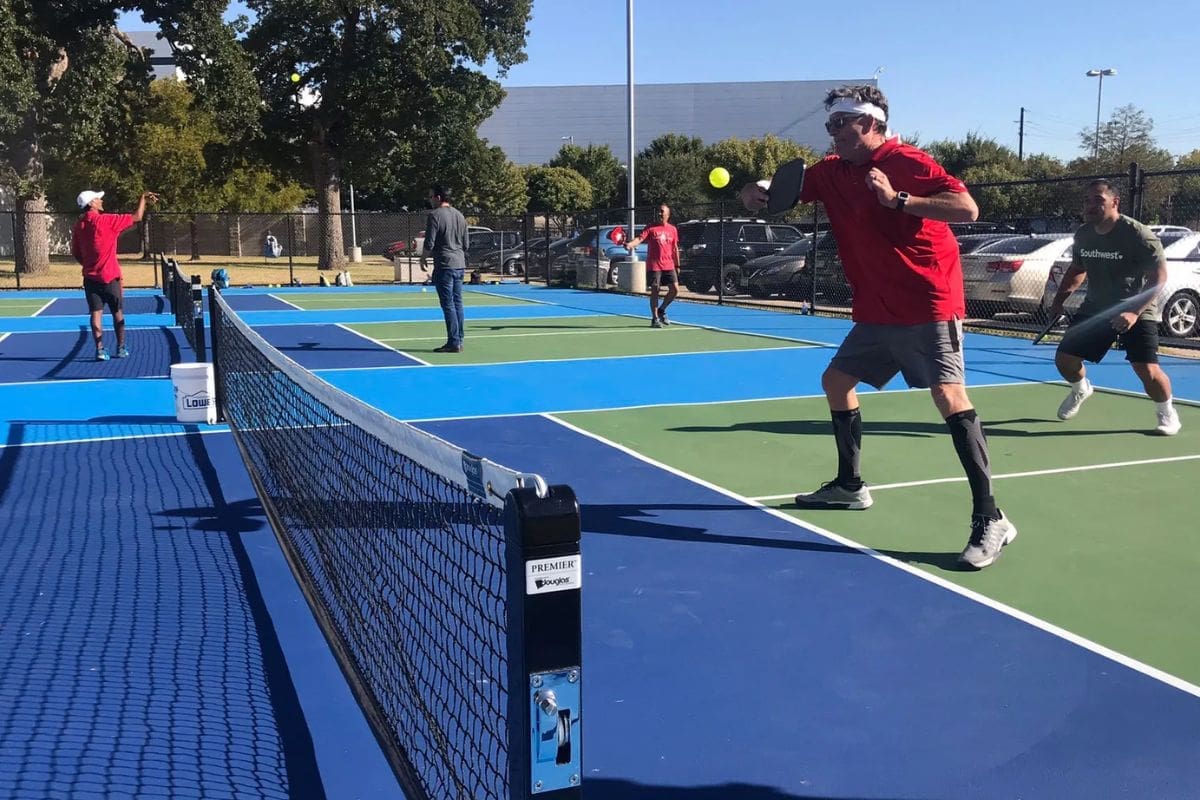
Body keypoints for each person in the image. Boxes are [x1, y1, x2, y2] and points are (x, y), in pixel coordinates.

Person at [739, 84, 1016, 570]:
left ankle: (991, 517)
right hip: (875, 309)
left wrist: (899, 200)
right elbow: (786, 188)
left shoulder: (908, 161)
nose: (832, 133)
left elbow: (967, 209)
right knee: (836, 382)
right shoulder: (831, 171)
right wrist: (759, 189)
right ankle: (850, 486)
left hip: (928, 301)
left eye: (839, 124)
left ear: (869, 124)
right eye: (829, 125)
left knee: (949, 397)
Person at [1045, 180, 1181, 435]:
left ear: (1114, 202)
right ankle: (1080, 389)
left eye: (1097, 200)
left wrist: (1134, 312)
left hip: (1137, 308)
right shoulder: (1084, 234)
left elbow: (1158, 278)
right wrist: (1058, 301)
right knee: (1065, 360)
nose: (1090, 205)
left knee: (1147, 370)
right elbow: (1077, 269)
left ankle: (1167, 412)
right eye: (1087, 200)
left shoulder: (1139, 235)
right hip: (1095, 308)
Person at [70, 189, 157, 361]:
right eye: (98, 199)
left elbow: (76, 253)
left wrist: (88, 265)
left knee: (96, 314)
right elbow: (137, 216)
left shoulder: (79, 226)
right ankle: (121, 347)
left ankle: (100, 349)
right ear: (91, 204)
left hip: (91, 279)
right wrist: (143, 198)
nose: (101, 201)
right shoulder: (107, 220)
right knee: (118, 313)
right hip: (111, 278)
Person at [422, 184, 468, 352]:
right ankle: (459, 339)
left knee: (448, 304)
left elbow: (429, 242)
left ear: (438, 198)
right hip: (459, 264)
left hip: (445, 264)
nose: (429, 200)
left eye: (431, 196)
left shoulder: (435, 215)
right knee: (458, 302)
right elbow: (466, 244)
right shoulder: (460, 215)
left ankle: (454, 341)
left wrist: (423, 258)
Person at [625, 204, 680, 327]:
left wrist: (677, 266)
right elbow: (639, 239)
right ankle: (655, 318)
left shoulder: (673, 229)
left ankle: (662, 310)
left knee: (675, 290)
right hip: (654, 265)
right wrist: (630, 245)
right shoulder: (650, 228)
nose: (660, 214)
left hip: (669, 265)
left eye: (662, 212)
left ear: (668, 215)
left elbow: (675, 248)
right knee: (655, 290)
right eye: (659, 212)